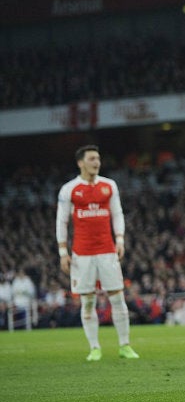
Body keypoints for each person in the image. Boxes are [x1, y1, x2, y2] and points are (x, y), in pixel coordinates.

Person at [56, 145, 139, 360]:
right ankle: (94, 347)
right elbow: (62, 221)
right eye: (92, 159)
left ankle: (125, 345)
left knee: (117, 298)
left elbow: (117, 214)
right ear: (80, 162)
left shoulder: (109, 185)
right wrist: (62, 251)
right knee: (88, 301)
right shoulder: (69, 189)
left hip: (107, 250)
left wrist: (120, 239)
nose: (96, 162)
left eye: (98, 158)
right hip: (81, 253)